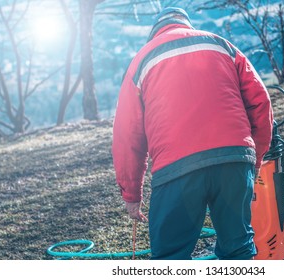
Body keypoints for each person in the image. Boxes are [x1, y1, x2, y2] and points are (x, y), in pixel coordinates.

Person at [112, 7, 273, 260]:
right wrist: (256, 157)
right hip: (234, 159)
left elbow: (127, 136)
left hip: (176, 169)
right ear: (188, 25)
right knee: (238, 248)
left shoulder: (141, 61)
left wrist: (132, 194)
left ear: (154, 33)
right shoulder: (222, 46)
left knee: (171, 258)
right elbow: (260, 102)